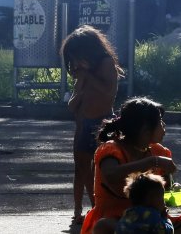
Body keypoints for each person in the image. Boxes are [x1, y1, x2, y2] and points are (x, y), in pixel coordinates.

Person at [82, 97, 181, 234]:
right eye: (160, 121)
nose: (164, 125)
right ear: (145, 130)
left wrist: (170, 188)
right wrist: (152, 162)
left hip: (154, 222)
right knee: (102, 226)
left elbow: (161, 191)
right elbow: (111, 175)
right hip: (120, 221)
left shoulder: (159, 151)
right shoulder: (111, 149)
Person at [62, 25, 123, 226]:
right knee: (81, 168)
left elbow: (108, 91)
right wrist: (79, 88)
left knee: (99, 167)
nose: (75, 63)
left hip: (101, 122)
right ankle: (78, 209)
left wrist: (87, 76)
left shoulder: (105, 63)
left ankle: (98, 207)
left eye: (76, 57)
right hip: (83, 122)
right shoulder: (83, 71)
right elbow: (73, 104)